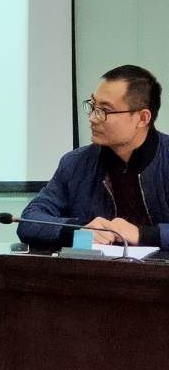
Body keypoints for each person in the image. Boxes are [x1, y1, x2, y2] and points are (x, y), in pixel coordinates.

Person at [18, 65, 169, 249]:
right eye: (92, 106)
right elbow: (29, 220)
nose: (92, 118)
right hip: (95, 266)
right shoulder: (76, 163)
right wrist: (78, 231)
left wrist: (143, 234)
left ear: (142, 118)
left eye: (104, 110)